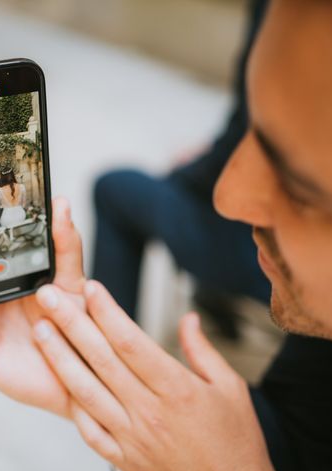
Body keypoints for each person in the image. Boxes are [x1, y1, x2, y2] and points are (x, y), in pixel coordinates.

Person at [0, 0, 332, 471]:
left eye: (299, 179)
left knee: (119, 191)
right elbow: (301, 444)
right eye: (258, 132)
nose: (230, 195)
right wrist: (105, 394)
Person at [92, 0, 270, 339]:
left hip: (271, 260)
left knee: (115, 189)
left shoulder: (290, 15)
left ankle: (106, 359)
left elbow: (252, 133)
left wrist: (185, 174)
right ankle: (217, 309)